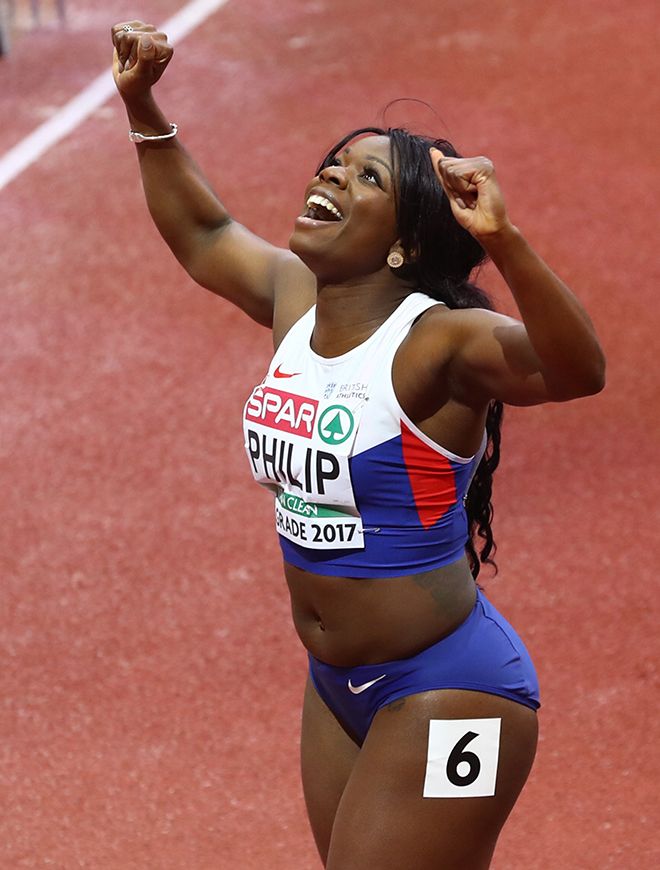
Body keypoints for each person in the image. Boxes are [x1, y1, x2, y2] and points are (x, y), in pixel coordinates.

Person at [111, 21, 605, 870]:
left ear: (404, 242)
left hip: (454, 691)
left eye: (365, 175)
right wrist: (141, 102)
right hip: (336, 683)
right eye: (334, 162)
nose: (332, 174)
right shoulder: (294, 299)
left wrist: (504, 241)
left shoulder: (439, 345)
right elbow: (201, 235)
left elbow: (576, 370)